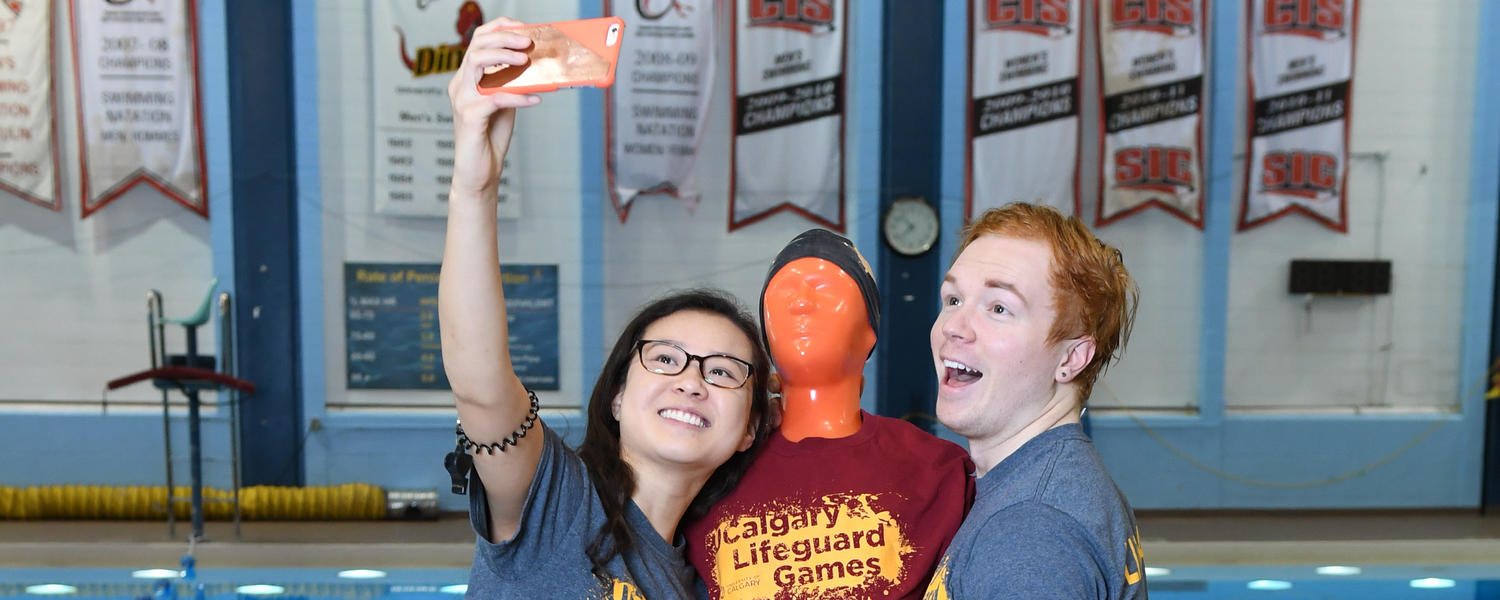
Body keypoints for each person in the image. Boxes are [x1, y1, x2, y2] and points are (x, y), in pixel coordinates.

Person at [440, 17, 773, 599]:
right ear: (618, 395)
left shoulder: (700, 583)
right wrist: (474, 187)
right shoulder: (559, 505)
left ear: (749, 428)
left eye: (721, 371)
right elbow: (480, 384)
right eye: (666, 359)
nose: (692, 382)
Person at [685, 229, 974, 599]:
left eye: (823, 289)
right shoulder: (713, 467)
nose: (801, 303)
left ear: (869, 332)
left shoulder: (940, 471)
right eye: (785, 292)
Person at [922, 203, 1147, 599]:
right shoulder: (1053, 483)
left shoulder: (1031, 531)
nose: (953, 327)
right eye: (953, 299)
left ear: (1071, 358)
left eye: (998, 308)